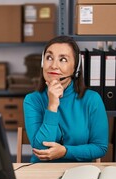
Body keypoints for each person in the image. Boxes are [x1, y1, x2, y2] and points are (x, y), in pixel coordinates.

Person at [23, 35, 108, 163]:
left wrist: (65, 152)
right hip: (42, 173)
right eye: (49, 58)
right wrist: (52, 106)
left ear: (75, 68)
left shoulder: (92, 100)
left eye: (63, 59)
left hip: (79, 173)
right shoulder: (32, 100)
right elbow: (41, 149)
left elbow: (100, 147)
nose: (53, 65)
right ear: (42, 63)